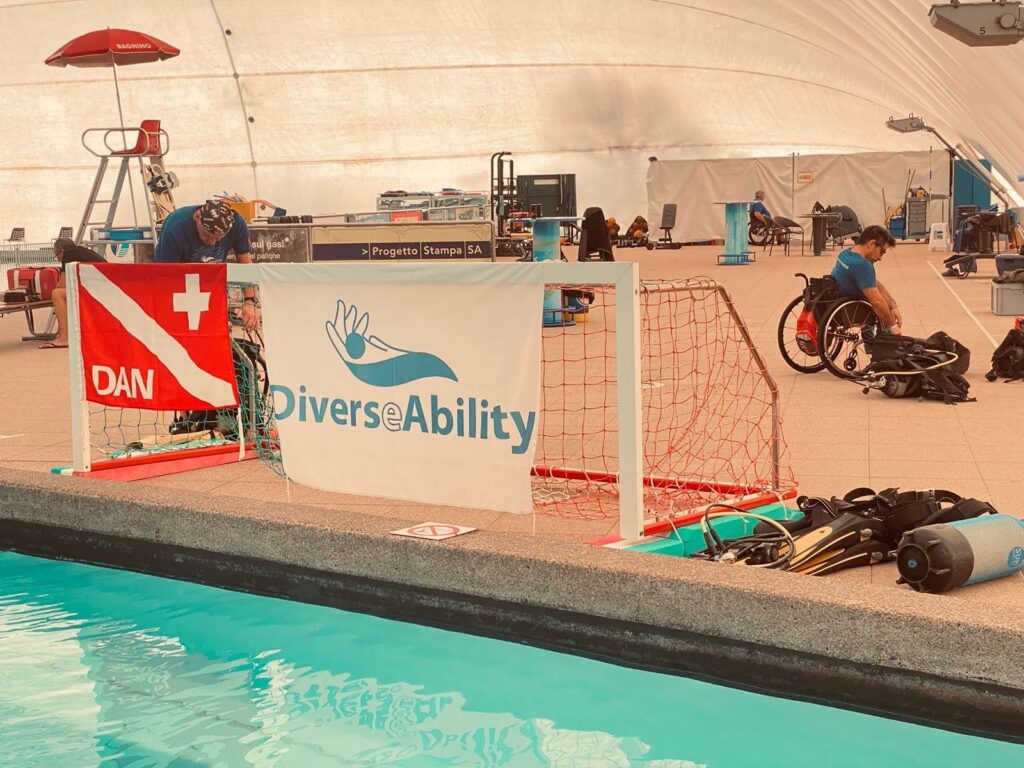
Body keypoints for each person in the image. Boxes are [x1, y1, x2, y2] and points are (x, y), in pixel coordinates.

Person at [154, 199, 259, 331]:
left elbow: (246, 265)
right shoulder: (175, 228)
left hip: (210, 281)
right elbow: (166, 278)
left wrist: (250, 301)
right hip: (176, 280)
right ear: (197, 218)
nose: (212, 242)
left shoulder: (236, 223)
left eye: (218, 238)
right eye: (207, 235)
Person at [830, 224, 902, 334]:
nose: (880, 258)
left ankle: (870, 336)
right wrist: (892, 326)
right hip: (850, 309)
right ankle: (878, 340)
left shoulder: (846, 253)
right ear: (871, 244)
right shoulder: (862, 265)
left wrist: (893, 305)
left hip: (836, 298)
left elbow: (873, 283)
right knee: (881, 308)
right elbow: (877, 301)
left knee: (880, 300)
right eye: (881, 252)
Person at [38, 237, 106, 349]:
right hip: (105, 288)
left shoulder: (69, 255)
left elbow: (62, 285)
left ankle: (64, 338)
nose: (58, 259)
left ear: (62, 251)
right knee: (65, 294)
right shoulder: (81, 252)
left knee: (57, 294)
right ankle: (66, 334)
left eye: (57, 256)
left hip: (100, 291)